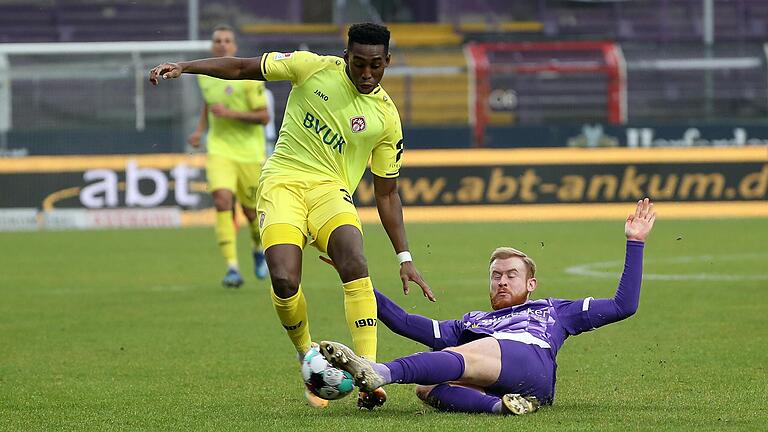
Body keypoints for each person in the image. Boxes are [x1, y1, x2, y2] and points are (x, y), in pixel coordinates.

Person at [149, 23, 433, 408]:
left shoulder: (386, 118)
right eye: (359, 64)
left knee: (354, 259)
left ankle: (369, 371)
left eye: (376, 66)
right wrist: (186, 66)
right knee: (283, 279)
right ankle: (307, 355)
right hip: (282, 182)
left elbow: (387, 192)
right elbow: (241, 68)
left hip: (330, 192)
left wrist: (405, 258)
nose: (367, 74)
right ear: (345, 55)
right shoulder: (309, 67)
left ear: (388, 62)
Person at [320, 198, 656, 415]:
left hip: (531, 362)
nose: (503, 282)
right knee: (427, 388)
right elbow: (405, 322)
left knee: (472, 351)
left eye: (512, 275)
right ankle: (501, 408)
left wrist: (635, 242)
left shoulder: (554, 309)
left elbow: (623, 305)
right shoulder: (474, 322)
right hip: (500, 378)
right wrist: (356, 280)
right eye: (496, 276)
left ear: (531, 284)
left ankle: (382, 373)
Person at [187, 25, 271, 287]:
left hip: (249, 154)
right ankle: (232, 267)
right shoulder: (205, 76)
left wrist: (230, 114)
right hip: (219, 150)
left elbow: (264, 117)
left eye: (227, 40)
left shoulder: (248, 78)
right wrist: (200, 130)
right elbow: (209, 104)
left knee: (251, 213)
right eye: (218, 41)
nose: (222, 44)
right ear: (213, 47)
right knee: (222, 200)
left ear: (234, 47)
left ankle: (258, 249)